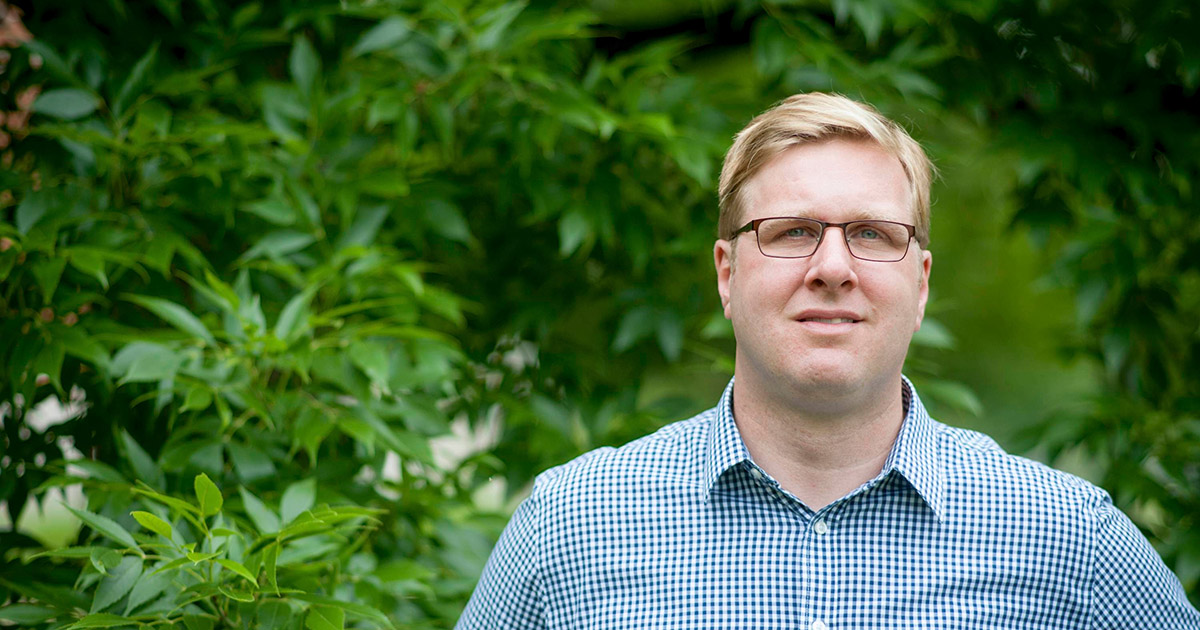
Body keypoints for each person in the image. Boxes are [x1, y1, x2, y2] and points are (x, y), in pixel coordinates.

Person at [456, 93, 1200, 628]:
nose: (833, 266)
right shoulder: (574, 527)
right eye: (793, 231)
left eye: (873, 234)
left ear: (921, 282)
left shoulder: (1066, 541)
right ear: (725, 272)